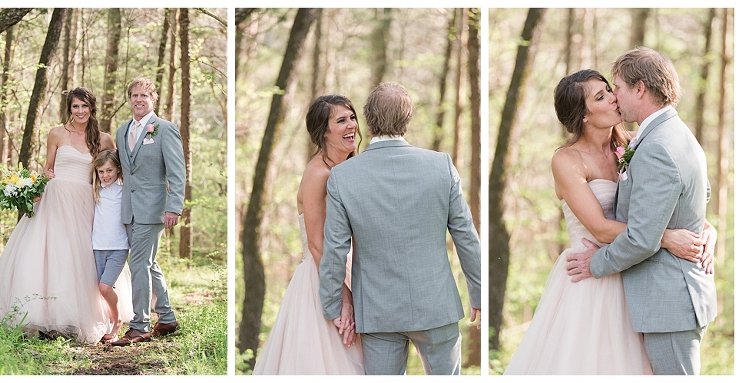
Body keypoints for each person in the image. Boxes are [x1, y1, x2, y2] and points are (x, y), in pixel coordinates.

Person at [503, 69, 715, 374]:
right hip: (592, 274)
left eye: (609, 89)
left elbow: (675, 194)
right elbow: (600, 228)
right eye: (601, 96)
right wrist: (667, 237)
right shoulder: (567, 160)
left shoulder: (635, 144)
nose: (614, 97)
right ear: (584, 116)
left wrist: (707, 229)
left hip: (638, 273)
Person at [566, 48, 717, 375]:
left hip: (669, 301)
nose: (615, 96)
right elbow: (697, 192)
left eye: (616, 87)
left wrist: (595, 263)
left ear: (640, 89)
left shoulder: (656, 146)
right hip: (651, 296)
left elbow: (641, 239)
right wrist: (698, 226)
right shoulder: (665, 134)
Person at [319, 82, 481, 375]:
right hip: (436, 306)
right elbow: (466, 237)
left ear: (368, 120)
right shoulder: (440, 165)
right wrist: (479, 294)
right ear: (408, 119)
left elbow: (334, 250)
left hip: (378, 311)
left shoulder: (343, 177)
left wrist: (333, 307)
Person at [0, 87, 119, 344]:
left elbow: (113, 173)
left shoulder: (103, 139)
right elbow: (48, 168)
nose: (80, 111)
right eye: (75, 107)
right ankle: (44, 314)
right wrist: (36, 187)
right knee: (50, 253)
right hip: (54, 199)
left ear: (92, 108)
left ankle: (78, 314)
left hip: (85, 203)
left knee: (79, 256)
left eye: (84, 106)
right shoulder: (57, 133)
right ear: (69, 109)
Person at [253, 94, 365, 374]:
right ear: (323, 132)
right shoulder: (318, 174)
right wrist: (342, 297)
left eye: (352, 117)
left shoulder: (350, 168)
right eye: (341, 120)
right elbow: (317, 245)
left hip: (352, 269)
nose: (351, 125)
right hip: (323, 276)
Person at [111, 77, 186, 346]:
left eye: (144, 95)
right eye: (134, 95)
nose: (138, 100)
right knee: (149, 262)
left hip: (154, 208)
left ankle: (140, 325)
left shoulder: (164, 129)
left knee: (139, 263)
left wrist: (174, 207)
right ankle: (166, 317)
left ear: (153, 98)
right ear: (129, 99)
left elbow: (177, 172)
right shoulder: (121, 131)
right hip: (128, 209)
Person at [91, 150, 135, 342]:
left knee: (104, 287)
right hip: (97, 246)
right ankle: (106, 320)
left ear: (118, 169)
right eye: (101, 171)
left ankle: (116, 321)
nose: (105, 175)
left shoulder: (124, 191)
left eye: (109, 170)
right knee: (100, 289)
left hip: (118, 247)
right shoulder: (95, 190)